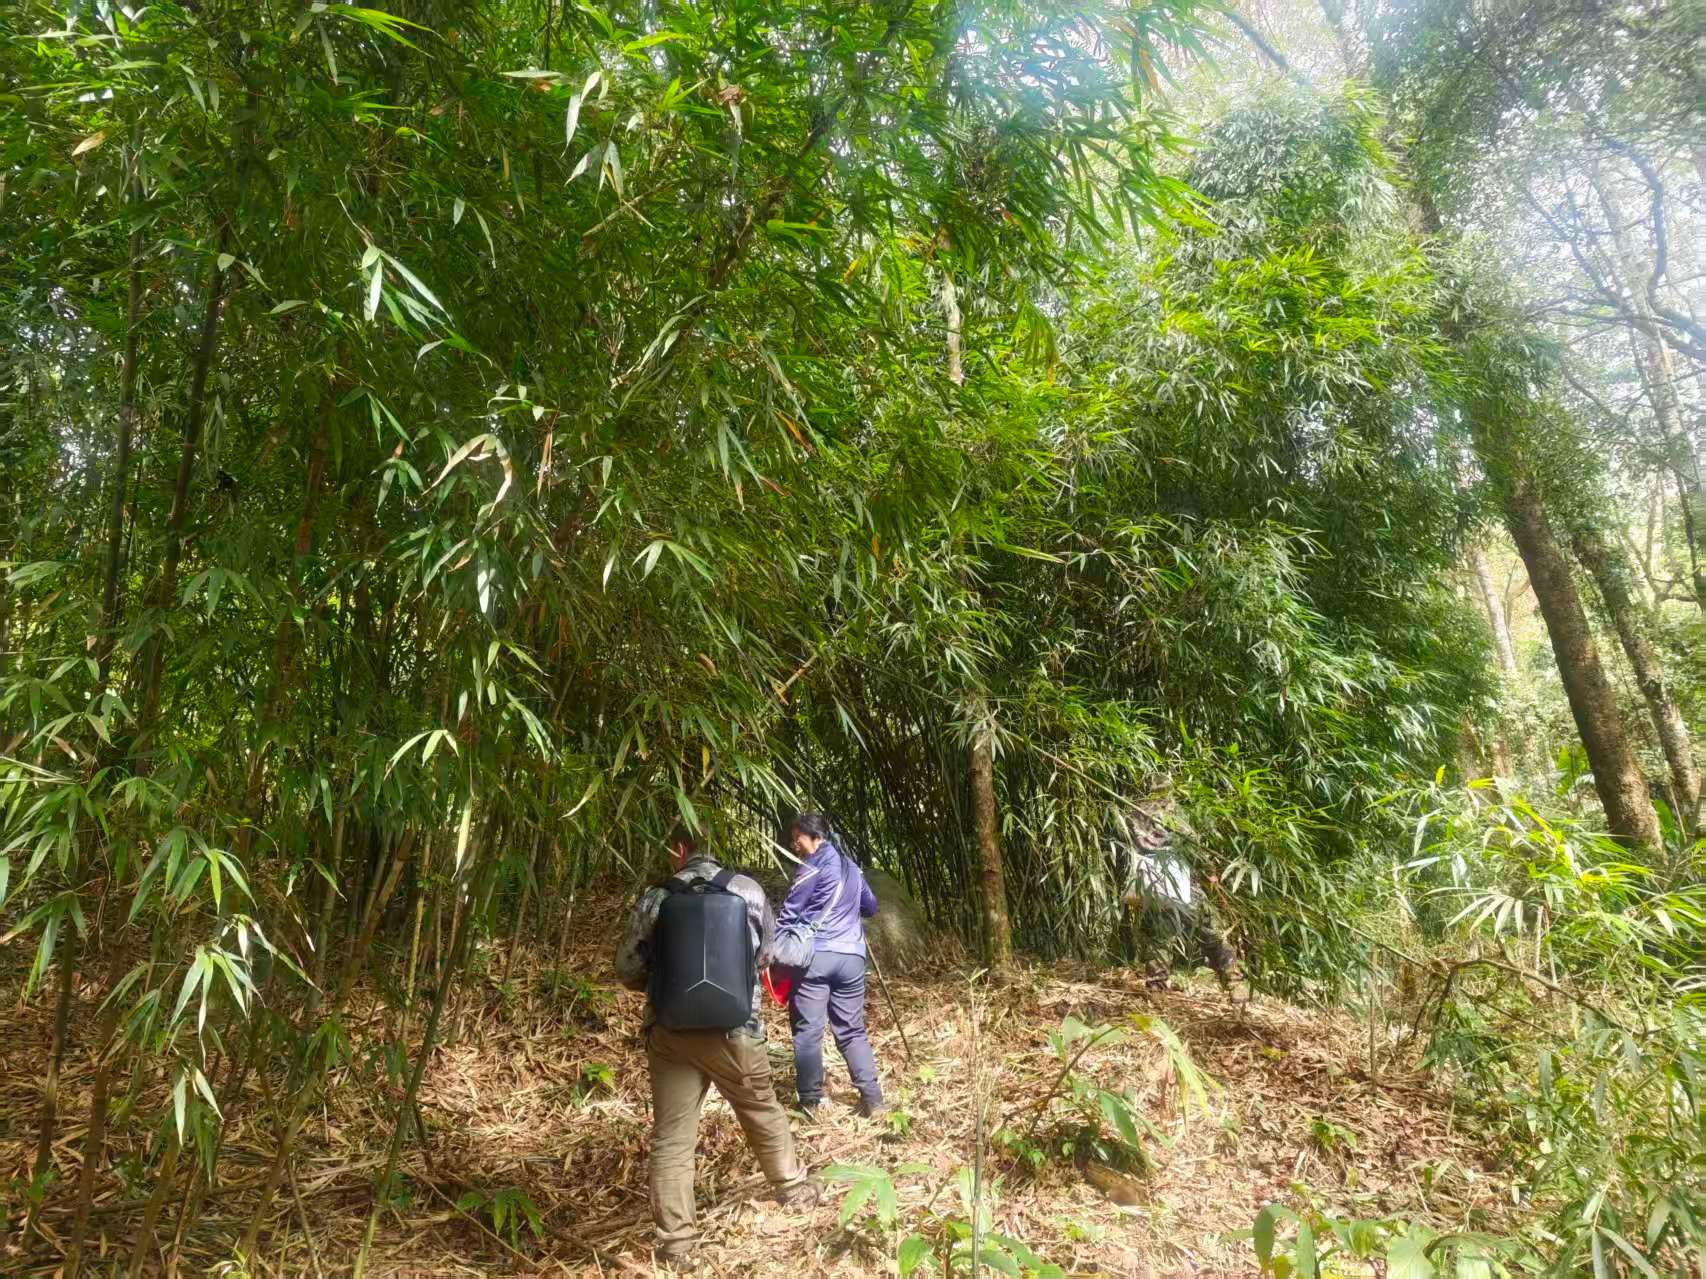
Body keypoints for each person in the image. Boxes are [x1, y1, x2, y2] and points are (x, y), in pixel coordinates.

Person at [614, 824, 819, 1272]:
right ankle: (792, 1189)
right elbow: (766, 956)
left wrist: (669, 984)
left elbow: (627, 966)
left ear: (680, 849)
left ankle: (676, 1245)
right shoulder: (748, 890)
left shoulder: (657, 898)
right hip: (736, 1031)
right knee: (760, 1108)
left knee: (672, 1137)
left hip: (671, 1035)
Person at [776, 813, 887, 1119]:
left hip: (816, 957)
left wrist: (775, 948)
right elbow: (871, 906)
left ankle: (811, 1102)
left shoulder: (812, 866)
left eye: (797, 838)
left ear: (815, 836)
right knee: (852, 1030)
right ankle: (873, 1100)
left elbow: (790, 911)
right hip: (852, 959)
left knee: (809, 1030)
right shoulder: (852, 867)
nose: (794, 845)